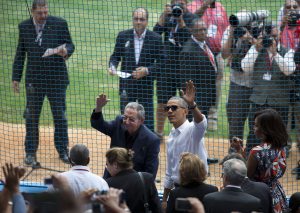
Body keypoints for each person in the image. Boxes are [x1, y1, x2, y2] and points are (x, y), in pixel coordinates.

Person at [12, 0, 75, 165]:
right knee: (32, 117)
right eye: (40, 13)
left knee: (60, 117)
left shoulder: (59, 23)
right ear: (33, 12)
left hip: (57, 79)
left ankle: (63, 151)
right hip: (34, 81)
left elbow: (70, 44)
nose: (43, 16)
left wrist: (65, 51)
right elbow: (20, 53)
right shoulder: (24, 27)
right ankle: (30, 153)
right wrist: (15, 77)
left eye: (45, 12)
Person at [241, 25, 295, 154]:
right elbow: (245, 67)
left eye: (275, 37)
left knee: (277, 134)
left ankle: (276, 161)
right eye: (269, 37)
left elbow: (289, 70)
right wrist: (256, 48)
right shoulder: (257, 50)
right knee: (254, 133)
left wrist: (275, 53)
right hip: (258, 100)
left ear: (280, 36)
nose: (272, 40)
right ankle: (251, 160)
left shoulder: (287, 51)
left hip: (279, 102)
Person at [108, 7, 164, 132]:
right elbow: (115, 56)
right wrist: (112, 66)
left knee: (147, 123)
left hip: (146, 87)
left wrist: (147, 70)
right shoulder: (123, 36)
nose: (138, 22)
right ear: (133, 20)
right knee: (126, 122)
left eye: (142, 19)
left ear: (147, 21)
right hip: (127, 87)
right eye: (136, 19)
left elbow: (162, 63)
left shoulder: (155, 38)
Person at [153, 0, 197, 140]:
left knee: (185, 102)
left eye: (181, 2)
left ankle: (187, 133)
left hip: (184, 67)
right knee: (162, 102)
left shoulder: (192, 18)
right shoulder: (168, 16)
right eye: (175, 2)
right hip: (167, 66)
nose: (178, 5)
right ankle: (159, 134)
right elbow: (155, 35)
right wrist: (163, 17)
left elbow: (188, 41)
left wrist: (181, 19)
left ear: (187, 3)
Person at [162, 80, 208, 210]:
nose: (170, 111)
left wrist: (192, 104)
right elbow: (170, 171)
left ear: (185, 111)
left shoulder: (193, 131)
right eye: (167, 108)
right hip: (177, 191)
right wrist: (165, 199)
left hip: (196, 190)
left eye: (174, 108)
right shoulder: (171, 136)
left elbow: (202, 123)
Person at [90, 94, 160, 179]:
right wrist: (98, 107)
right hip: (111, 178)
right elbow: (98, 125)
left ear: (141, 121)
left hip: (134, 184)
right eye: (125, 117)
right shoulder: (118, 123)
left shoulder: (151, 140)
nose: (126, 122)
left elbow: (150, 172)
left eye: (131, 119)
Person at [187, 0, 229, 131]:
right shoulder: (192, 5)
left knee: (216, 84)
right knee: (199, 84)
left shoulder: (220, 7)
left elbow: (226, 28)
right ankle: (198, 115)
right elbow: (189, 23)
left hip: (217, 53)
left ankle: (212, 116)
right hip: (200, 52)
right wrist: (205, 5)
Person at [221, 17, 255, 148]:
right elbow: (224, 54)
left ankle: (253, 152)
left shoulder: (258, 29)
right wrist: (232, 32)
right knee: (235, 121)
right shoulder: (230, 30)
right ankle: (235, 152)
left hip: (257, 84)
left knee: (256, 122)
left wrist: (250, 39)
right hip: (238, 84)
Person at [247, 109, 288, 212]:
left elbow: (246, 177)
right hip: (276, 194)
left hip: (258, 195)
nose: (254, 128)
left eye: (256, 125)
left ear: (266, 129)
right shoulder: (282, 147)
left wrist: (238, 155)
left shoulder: (256, 151)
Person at [105, 147, 162, 213]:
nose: (107, 167)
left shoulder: (108, 183)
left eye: (107, 164)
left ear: (115, 165)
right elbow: (157, 208)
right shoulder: (146, 178)